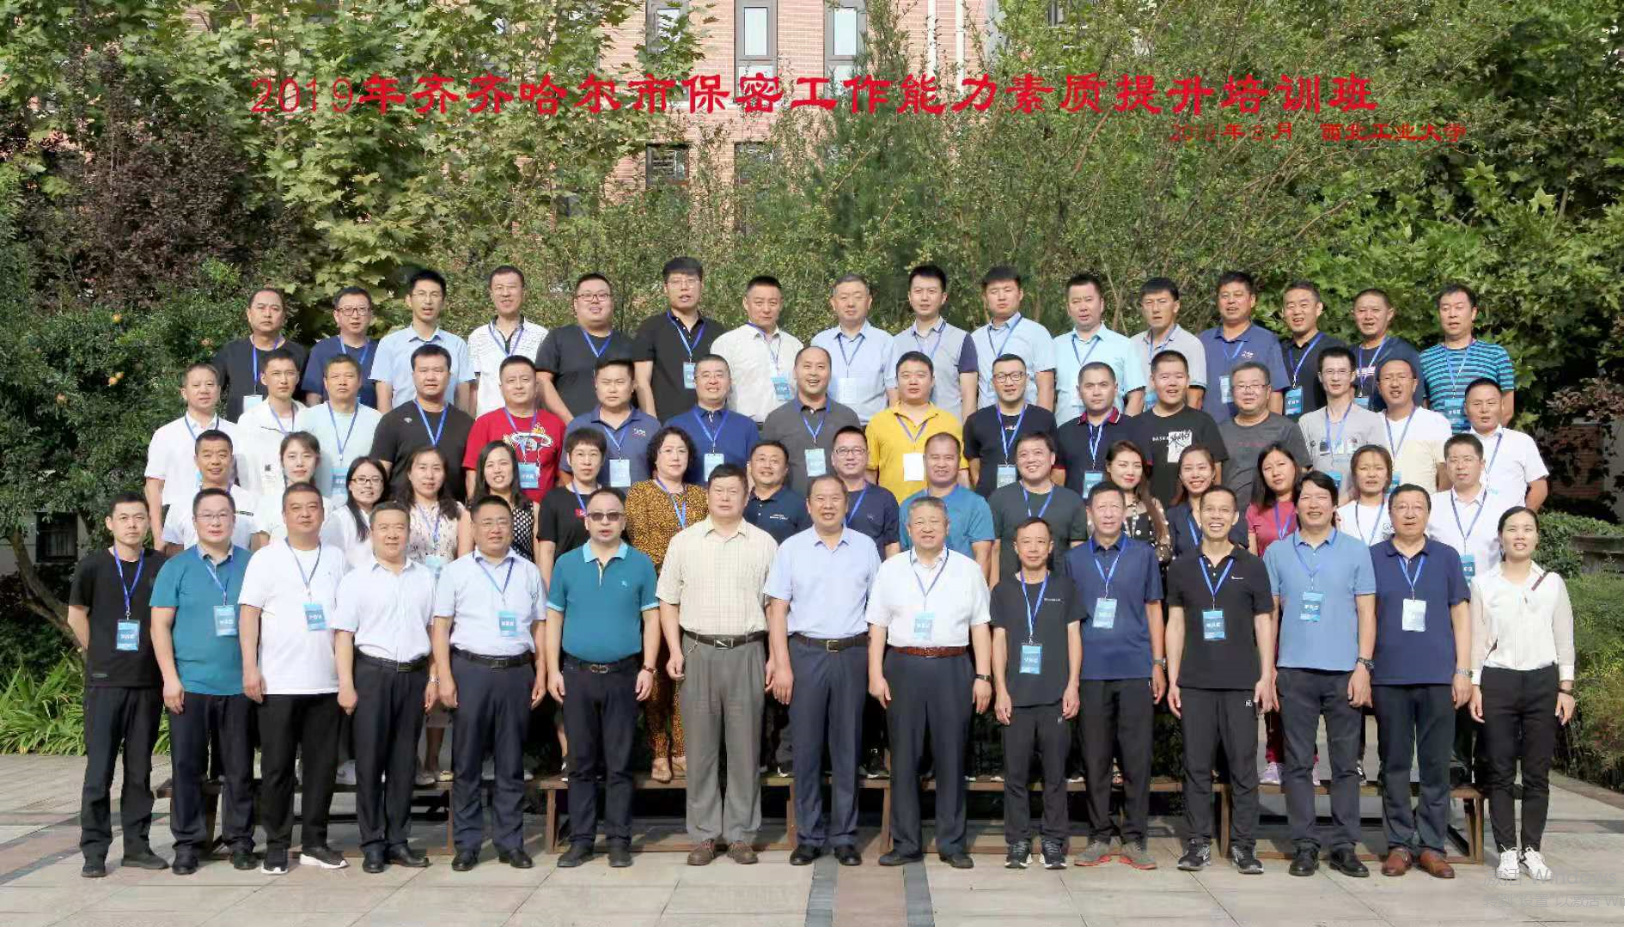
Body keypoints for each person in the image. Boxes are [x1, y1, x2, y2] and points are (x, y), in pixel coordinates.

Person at [657, 465, 778, 866]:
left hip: (747, 650)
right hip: (697, 649)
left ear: (747, 497)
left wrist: (775, 657)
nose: (725, 497)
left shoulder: (764, 543)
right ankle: (705, 835)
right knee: (701, 749)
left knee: (745, 748)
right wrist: (674, 650)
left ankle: (740, 835)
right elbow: (667, 600)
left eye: (733, 491)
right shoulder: (684, 541)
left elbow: (775, 606)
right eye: (718, 490)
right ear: (707, 496)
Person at [866, 496, 993, 868]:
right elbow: (877, 625)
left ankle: (952, 843)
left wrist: (983, 675)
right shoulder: (890, 569)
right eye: (919, 522)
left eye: (934, 521)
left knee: (951, 757)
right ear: (908, 529)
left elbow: (980, 626)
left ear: (947, 527)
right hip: (903, 665)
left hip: (952, 667)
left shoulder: (968, 569)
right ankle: (906, 843)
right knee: (904, 758)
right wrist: (875, 673)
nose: (926, 528)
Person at [765, 475, 882, 867]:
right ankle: (810, 836)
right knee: (807, 749)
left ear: (846, 504)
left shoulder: (865, 547)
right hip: (806, 653)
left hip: (852, 653)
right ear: (809, 505)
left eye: (835, 498)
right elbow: (777, 611)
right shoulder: (792, 548)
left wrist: (874, 665)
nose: (828, 505)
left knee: (847, 749)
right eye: (820, 499)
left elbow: (877, 610)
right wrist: (782, 664)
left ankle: (845, 837)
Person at [1263, 472, 1376, 878]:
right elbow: (1270, 616)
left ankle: (1344, 845)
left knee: (1345, 765)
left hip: (1344, 672)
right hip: (1294, 672)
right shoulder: (1277, 552)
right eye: (1306, 497)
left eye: (1321, 497)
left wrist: (1363, 665)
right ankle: (1305, 845)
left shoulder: (1356, 551)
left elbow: (1367, 612)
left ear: (1333, 504)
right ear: (1296, 505)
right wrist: (1268, 670)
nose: (1313, 504)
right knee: (1297, 763)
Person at [545, 488, 662, 870]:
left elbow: (651, 619)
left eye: (613, 515)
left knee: (619, 763)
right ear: (586, 521)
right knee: (580, 762)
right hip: (577, 674)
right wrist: (552, 669)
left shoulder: (640, 563)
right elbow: (554, 618)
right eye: (598, 516)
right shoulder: (566, 564)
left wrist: (648, 667)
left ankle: (618, 841)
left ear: (624, 521)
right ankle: (581, 840)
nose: (606, 522)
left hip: (623, 675)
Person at [238, 482, 350, 874]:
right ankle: (277, 844)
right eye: (296, 508)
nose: (305, 514)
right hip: (278, 683)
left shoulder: (336, 558)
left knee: (321, 769)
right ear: (284, 516)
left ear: (322, 513)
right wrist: (250, 667)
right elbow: (249, 615)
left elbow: (345, 622)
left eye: (312, 507)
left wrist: (346, 678)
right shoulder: (265, 559)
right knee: (277, 769)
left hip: (326, 682)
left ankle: (315, 842)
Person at [432, 495, 548, 871]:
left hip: (516, 672)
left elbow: (539, 626)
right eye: (487, 522)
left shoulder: (528, 571)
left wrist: (541, 671)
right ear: (474, 528)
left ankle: (510, 842)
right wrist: (444, 676)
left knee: (510, 762)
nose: (495, 529)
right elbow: (441, 627)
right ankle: (467, 844)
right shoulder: (456, 572)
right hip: (471, 671)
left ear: (512, 527)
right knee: (466, 762)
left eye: (502, 522)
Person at [1164, 486, 1273, 874]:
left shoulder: (1252, 565)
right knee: (1196, 766)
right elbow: (1175, 624)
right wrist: (1173, 678)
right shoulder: (1181, 567)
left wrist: (1266, 674)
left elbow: (1264, 622)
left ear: (1235, 517)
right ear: (1198, 516)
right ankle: (1197, 843)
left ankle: (1244, 845)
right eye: (1209, 509)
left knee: (1243, 765)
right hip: (1195, 681)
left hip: (1241, 680)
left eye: (1223, 510)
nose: (1215, 516)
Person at [149, 488, 257, 874]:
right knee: (187, 767)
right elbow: (159, 626)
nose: (215, 521)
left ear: (234, 520)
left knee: (239, 770)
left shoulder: (252, 564)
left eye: (223, 514)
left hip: (239, 686)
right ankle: (188, 844)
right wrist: (169, 679)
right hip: (190, 686)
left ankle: (240, 841)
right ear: (194, 522)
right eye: (207, 515)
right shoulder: (175, 567)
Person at [1369, 485, 1471, 879]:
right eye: (1402, 507)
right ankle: (1398, 844)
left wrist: (1463, 670)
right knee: (1394, 764)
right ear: (1390, 513)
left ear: (1428, 513)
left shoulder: (1446, 557)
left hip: (1438, 676)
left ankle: (1431, 845)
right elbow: (1364, 615)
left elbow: (1460, 615)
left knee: (1435, 766)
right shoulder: (1373, 557)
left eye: (1417, 507)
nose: (1409, 514)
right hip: (1389, 675)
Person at [1063, 482, 1165, 869]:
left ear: (1125, 512)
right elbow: (1069, 621)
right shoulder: (1073, 560)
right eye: (1100, 507)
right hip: (1091, 671)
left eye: (1114, 507)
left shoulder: (1143, 555)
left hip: (1135, 667)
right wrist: (1070, 677)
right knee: (1096, 757)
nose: (1108, 513)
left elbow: (1154, 608)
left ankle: (1135, 838)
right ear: (1089, 513)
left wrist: (1158, 663)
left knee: (1136, 758)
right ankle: (1099, 835)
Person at [331, 501, 437, 873]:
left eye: (399, 527)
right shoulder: (356, 579)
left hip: (413, 676)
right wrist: (346, 684)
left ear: (409, 532)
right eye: (384, 528)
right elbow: (343, 636)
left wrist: (434, 678)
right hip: (371, 675)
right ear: (372, 533)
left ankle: (398, 841)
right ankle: (372, 843)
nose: (392, 534)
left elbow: (433, 632)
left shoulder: (425, 578)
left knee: (404, 763)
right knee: (370, 763)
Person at [1469, 507, 1575, 882]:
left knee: (1536, 772)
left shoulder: (1552, 583)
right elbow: (1477, 639)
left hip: (1542, 682)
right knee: (1499, 770)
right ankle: (1507, 850)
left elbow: (1564, 636)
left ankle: (1532, 848)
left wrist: (1566, 687)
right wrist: (1475, 685)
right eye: (1512, 529)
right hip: (1498, 681)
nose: (1520, 535)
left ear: (1537, 537)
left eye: (1527, 529)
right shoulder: (1484, 584)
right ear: (1500, 537)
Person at [70, 493, 169, 878]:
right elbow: (76, 615)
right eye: (124, 518)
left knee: (140, 771)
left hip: (147, 682)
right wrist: (97, 654)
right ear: (109, 524)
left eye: (139, 517)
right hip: (105, 684)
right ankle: (94, 851)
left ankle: (137, 847)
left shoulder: (159, 565)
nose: (132, 524)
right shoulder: (93, 566)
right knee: (99, 771)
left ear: (148, 523)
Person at [991, 517, 1083, 871]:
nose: (1033, 548)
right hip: (1016, 697)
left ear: (1051, 547)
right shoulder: (1003, 590)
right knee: (1015, 776)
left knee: (1054, 776)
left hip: (1055, 696)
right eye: (1026, 542)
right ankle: (1018, 841)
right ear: (1015, 547)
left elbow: (1074, 637)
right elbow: (999, 641)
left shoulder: (1065, 586)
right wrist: (1001, 690)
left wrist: (1073, 684)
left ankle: (1053, 841)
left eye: (1040, 541)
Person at [626, 427, 709, 783]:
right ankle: (659, 750)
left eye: (681, 451)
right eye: (668, 451)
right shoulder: (640, 493)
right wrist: (683, 561)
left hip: (697, 596)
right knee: (658, 674)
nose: (675, 457)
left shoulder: (701, 496)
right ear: (655, 458)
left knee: (687, 675)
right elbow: (641, 543)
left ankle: (683, 748)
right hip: (655, 593)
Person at [371, 344, 476, 500]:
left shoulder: (466, 423)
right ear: (413, 375)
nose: (430, 377)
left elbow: (472, 477)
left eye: (438, 371)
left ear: (449, 376)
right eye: (423, 371)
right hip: (402, 509)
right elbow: (378, 474)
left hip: (451, 509)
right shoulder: (393, 420)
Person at [144, 363, 236, 538]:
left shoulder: (236, 433)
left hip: (223, 523)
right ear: (184, 393)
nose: (204, 390)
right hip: (178, 525)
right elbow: (154, 487)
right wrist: (157, 534)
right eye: (196, 385)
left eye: (209, 384)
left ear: (219, 391)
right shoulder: (165, 435)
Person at [461, 356, 565, 503]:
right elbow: (473, 472)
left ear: (536, 386)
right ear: (501, 388)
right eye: (511, 381)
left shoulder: (556, 424)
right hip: (498, 511)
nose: (518, 386)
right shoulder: (485, 423)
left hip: (544, 510)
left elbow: (564, 475)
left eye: (525, 379)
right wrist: (477, 507)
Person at [536, 273, 636, 423]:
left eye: (602, 295)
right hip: (570, 431)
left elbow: (639, 386)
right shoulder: (558, 338)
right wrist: (571, 423)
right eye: (587, 295)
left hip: (620, 430)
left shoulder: (628, 344)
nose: (595, 300)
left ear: (612, 302)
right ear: (575, 304)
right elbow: (542, 381)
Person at [762, 345, 863, 494]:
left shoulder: (847, 417)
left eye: (821, 367)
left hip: (837, 503)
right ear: (795, 372)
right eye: (807, 366)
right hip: (791, 504)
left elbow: (859, 468)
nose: (813, 373)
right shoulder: (776, 419)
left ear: (830, 373)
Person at [988, 432, 1087, 583]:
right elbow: (994, 550)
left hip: (1057, 589)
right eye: (1023, 455)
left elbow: (1078, 553)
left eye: (1038, 453)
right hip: (1010, 589)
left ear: (1052, 458)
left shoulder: (1072, 500)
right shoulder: (999, 498)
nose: (1030, 459)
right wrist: (994, 591)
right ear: (1016, 461)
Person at [867, 351, 966, 501]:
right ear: (896, 381)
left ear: (932, 381)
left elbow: (961, 471)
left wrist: (964, 508)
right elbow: (870, 473)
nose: (913, 381)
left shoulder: (950, 422)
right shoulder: (878, 422)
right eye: (906, 376)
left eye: (920, 375)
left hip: (939, 509)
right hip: (892, 509)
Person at [373, 269, 474, 412]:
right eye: (421, 294)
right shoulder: (389, 344)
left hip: (446, 423)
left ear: (443, 302)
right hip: (402, 423)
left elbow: (462, 397)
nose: (428, 301)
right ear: (409, 300)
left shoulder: (457, 345)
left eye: (434, 295)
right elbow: (384, 397)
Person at [1420, 284, 1516, 432]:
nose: (1452, 314)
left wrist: (1484, 440)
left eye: (1459, 307)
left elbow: (1507, 409)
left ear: (1473, 313)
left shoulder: (1496, 355)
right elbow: (1423, 409)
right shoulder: (1424, 359)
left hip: (1483, 442)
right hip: (1439, 443)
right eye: (1445, 308)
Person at [1137, 351, 1228, 506]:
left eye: (1179, 376)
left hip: (1193, 513)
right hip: (1150, 512)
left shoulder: (1203, 422)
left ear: (1187, 380)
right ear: (1152, 381)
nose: (1172, 383)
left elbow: (1216, 472)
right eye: (1164, 377)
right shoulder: (1137, 424)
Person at [1197, 271, 1289, 425]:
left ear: (1252, 300)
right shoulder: (1203, 340)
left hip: (1253, 433)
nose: (1231, 301)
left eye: (1238, 295)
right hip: (1209, 431)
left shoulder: (1267, 340)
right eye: (1225, 296)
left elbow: (1275, 393)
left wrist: (1272, 432)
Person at [1053, 272, 1147, 423]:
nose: (1083, 307)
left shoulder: (1124, 345)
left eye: (1088, 300)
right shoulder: (1055, 345)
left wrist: (1123, 431)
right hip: (1064, 433)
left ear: (1101, 304)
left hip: (1110, 434)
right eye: (1076, 301)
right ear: (1068, 308)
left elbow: (1137, 396)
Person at [634, 256, 720, 420]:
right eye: (676, 282)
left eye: (691, 281)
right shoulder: (650, 328)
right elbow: (641, 381)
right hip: (666, 425)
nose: (684, 287)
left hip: (711, 423)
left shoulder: (717, 331)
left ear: (701, 285)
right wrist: (651, 424)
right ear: (665, 288)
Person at [897, 433, 995, 576]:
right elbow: (903, 555)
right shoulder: (908, 505)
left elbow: (983, 557)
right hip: (917, 585)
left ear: (959, 461)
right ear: (924, 460)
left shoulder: (976, 504)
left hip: (961, 585)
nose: (941, 464)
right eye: (935, 457)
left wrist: (977, 588)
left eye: (949, 458)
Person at [888, 264, 977, 421]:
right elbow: (894, 394)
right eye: (918, 291)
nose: (924, 298)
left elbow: (969, 396)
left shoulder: (961, 339)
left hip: (949, 430)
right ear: (909, 297)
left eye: (931, 291)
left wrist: (967, 433)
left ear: (943, 297)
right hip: (908, 430)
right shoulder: (895, 343)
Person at [712, 275, 804, 424]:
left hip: (788, 427)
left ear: (781, 304)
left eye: (772, 303)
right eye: (759, 303)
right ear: (745, 303)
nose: (766, 309)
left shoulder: (795, 345)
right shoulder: (726, 343)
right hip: (744, 427)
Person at [963, 354, 1059, 497]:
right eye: (1001, 377)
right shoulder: (976, 420)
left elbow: (1054, 467)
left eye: (1016, 376)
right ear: (993, 382)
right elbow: (975, 469)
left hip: (1033, 502)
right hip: (988, 501)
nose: (1009, 383)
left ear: (1026, 379)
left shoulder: (1044, 418)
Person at [1427, 433, 1518, 582]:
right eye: (1453, 460)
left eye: (1467, 459)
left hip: (1490, 589)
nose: (1460, 466)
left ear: (1482, 464)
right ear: (1446, 466)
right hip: (1443, 589)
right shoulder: (1431, 505)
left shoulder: (1502, 506)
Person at [1217, 361, 1310, 505]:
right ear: (1232, 392)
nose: (1248, 391)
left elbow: (1302, 474)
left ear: (1268, 391)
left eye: (1255, 385)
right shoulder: (1220, 431)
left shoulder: (1286, 428)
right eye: (1241, 386)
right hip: (1231, 512)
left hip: (1274, 513)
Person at [562, 358, 661, 490]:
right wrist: (579, 499)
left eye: (619, 382)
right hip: (595, 503)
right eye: (606, 382)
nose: (612, 389)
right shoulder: (578, 425)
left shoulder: (651, 426)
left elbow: (660, 473)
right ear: (596, 384)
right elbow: (566, 471)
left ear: (633, 385)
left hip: (640, 503)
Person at [211, 286, 309, 419]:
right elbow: (210, 392)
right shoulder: (231, 351)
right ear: (249, 314)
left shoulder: (299, 353)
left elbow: (309, 400)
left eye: (275, 309)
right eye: (261, 308)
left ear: (283, 316)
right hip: (238, 429)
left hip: (286, 428)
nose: (267, 314)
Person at [296, 354, 383, 501]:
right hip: (318, 501)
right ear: (325, 382)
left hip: (362, 501)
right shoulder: (307, 417)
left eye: (349, 376)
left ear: (360, 381)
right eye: (335, 377)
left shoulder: (376, 419)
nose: (342, 382)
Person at [810, 273, 895, 425]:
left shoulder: (885, 341)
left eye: (858, 297)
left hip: (872, 428)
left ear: (869, 301)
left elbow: (894, 393)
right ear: (833, 303)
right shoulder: (820, 342)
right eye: (843, 297)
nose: (850, 303)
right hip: (828, 427)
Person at [1299, 348, 1385, 494]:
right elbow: (1302, 471)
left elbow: (1378, 469)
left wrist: (1346, 499)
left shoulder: (1371, 420)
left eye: (1342, 371)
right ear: (1320, 376)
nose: (1335, 378)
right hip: (1319, 502)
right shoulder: (1307, 422)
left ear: (1352, 375)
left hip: (1358, 502)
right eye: (1329, 371)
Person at [161, 430, 262, 553]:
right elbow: (174, 553)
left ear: (231, 460)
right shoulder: (180, 504)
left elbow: (259, 550)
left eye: (222, 455)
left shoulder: (252, 502)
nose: (215, 461)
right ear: (196, 460)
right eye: (207, 455)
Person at [971, 266, 1056, 411]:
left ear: (1020, 294)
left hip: (1026, 420)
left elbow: (1046, 387)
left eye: (1008, 290)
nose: (1001, 297)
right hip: (987, 420)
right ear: (985, 298)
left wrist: (1042, 423)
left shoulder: (1037, 333)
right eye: (994, 292)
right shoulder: (975, 338)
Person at [467, 265, 548, 418]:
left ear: (523, 292)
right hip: (489, 424)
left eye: (511, 287)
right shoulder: (477, 337)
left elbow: (545, 386)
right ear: (491, 294)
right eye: (499, 288)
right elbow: (473, 389)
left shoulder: (541, 335)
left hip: (530, 423)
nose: (505, 293)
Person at [1055, 361, 1147, 495]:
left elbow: (1144, 477)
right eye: (1089, 386)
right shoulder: (1065, 431)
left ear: (1115, 388)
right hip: (1075, 506)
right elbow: (1058, 480)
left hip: (1120, 506)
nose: (1096, 392)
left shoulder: (1134, 427)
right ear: (1079, 391)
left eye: (1103, 385)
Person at [667, 354, 761, 484]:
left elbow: (753, 472)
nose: (713, 381)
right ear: (695, 382)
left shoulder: (747, 426)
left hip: (733, 496)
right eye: (706, 375)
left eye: (719, 375)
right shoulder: (675, 425)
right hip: (686, 497)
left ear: (729, 382)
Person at [1464, 378, 1549, 510]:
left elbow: (1539, 488)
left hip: (1510, 521)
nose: (1484, 409)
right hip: (1466, 521)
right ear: (1466, 408)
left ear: (1502, 405)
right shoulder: (1456, 443)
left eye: (1491, 403)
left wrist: (1523, 517)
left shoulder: (1522, 442)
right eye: (1477, 404)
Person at [536, 429, 604, 584]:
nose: (587, 461)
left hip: (605, 582)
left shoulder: (613, 499)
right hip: (566, 583)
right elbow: (547, 551)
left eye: (593, 454)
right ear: (568, 458)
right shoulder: (553, 499)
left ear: (602, 459)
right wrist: (547, 593)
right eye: (580, 454)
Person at [235, 348, 304, 497]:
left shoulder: (309, 416)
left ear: (298, 377)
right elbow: (247, 473)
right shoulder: (250, 420)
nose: (283, 380)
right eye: (276, 374)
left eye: (289, 373)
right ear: (263, 378)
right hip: (264, 503)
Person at [1130, 277, 1207, 408]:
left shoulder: (1191, 344)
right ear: (1142, 308)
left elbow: (1195, 397)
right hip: (1139, 419)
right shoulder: (1132, 344)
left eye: (1162, 302)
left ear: (1176, 306)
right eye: (1149, 302)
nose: (1155, 309)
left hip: (1177, 418)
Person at [1377, 356, 1452, 489]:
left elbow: (1445, 472)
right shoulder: (1371, 423)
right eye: (1387, 378)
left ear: (1415, 383)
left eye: (1402, 377)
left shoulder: (1436, 422)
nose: (1395, 384)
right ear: (1379, 387)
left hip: (1424, 501)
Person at [303, 286, 381, 409]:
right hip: (329, 419)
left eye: (362, 309)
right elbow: (313, 396)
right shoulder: (322, 349)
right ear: (336, 315)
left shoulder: (381, 350)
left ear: (370, 315)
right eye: (348, 310)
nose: (355, 315)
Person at [400, 445, 470, 581]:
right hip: (409, 584)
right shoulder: (397, 510)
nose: (429, 475)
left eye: (436, 468)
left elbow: (464, 560)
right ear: (409, 474)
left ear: (444, 474)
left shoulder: (458, 510)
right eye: (422, 468)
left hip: (448, 585)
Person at [1278, 280, 1347, 419]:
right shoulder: (1278, 350)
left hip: (1323, 428)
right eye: (1290, 306)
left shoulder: (1335, 348)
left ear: (1318, 308)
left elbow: (1345, 397)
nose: (1297, 311)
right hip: (1286, 430)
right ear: (1283, 313)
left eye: (1304, 305)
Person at [462, 441, 540, 562]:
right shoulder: (471, 511)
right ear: (483, 472)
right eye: (490, 465)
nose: (497, 470)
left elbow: (540, 560)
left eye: (503, 463)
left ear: (514, 468)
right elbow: (463, 561)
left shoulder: (532, 508)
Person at [1167, 445, 1249, 560]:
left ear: (1213, 473)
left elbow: (1241, 554)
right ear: (1180, 475)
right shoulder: (1173, 515)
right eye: (1188, 469)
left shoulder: (1229, 510)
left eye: (1202, 468)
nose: (1195, 474)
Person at [832, 425, 901, 560]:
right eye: (843, 450)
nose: (850, 456)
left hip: (874, 571)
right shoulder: (821, 497)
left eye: (857, 450)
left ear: (868, 456)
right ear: (832, 458)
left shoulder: (884, 498)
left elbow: (892, 544)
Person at [1350, 288, 1424, 412]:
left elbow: (1416, 399)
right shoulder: (1347, 355)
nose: (1368, 316)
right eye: (1362, 311)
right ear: (1353, 315)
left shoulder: (1404, 352)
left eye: (1375, 310)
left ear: (1389, 314)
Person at [1101, 439, 1172, 561]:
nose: (1130, 472)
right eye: (1123, 465)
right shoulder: (1096, 508)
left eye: (1137, 466)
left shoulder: (1153, 505)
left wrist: (1141, 560)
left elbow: (1166, 550)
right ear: (1109, 467)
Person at [254, 432, 324, 544]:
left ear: (317, 461)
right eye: (292, 457)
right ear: (282, 461)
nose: (299, 463)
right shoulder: (267, 504)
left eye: (307, 456)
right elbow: (259, 550)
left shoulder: (327, 506)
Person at [322, 457, 391, 569]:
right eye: (361, 479)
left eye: (375, 479)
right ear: (350, 485)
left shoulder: (390, 517)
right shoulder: (340, 519)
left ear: (383, 486)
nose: (368, 485)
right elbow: (328, 562)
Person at [744, 441, 811, 544]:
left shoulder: (800, 505)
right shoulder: (739, 501)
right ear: (750, 466)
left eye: (774, 461)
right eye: (761, 459)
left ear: (785, 470)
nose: (767, 465)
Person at [1244, 444, 1304, 555]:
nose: (1275, 473)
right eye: (1268, 468)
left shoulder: (1308, 503)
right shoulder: (1255, 509)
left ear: (1294, 466)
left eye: (1281, 464)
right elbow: (1252, 558)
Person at [1337, 445, 1396, 546]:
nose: (1371, 474)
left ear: (1388, 475)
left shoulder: (1398, 511)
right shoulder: (1341, 515)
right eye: (1364, 468)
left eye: (1378, 468)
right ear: (1354, 475)